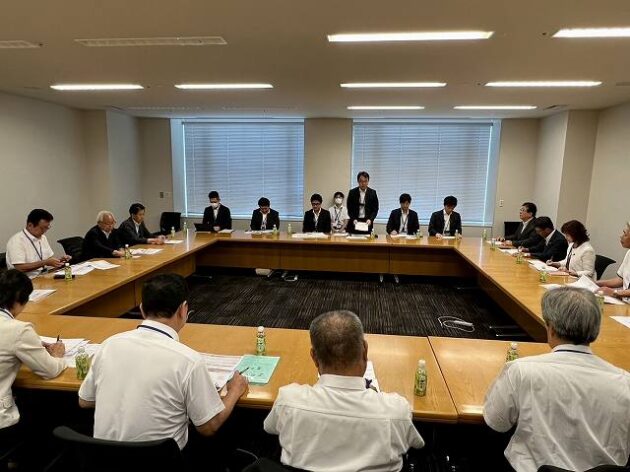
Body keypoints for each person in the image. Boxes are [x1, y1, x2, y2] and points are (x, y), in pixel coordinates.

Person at [78, 273, 248, 452]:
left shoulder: (109, 345)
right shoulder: (188, 360)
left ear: (142, 309)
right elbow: (209, 426)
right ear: (183, 309)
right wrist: (235, 390)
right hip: (161, 462)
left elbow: (85, 401)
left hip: (102, 460)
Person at [484, 287, 630, 472]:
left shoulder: (522, 371)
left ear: (551, 328)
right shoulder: (625, 382)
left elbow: (496, 423)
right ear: (596, 330)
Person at [264, 310, 423, 471]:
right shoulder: (397, 411)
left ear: (314, 357)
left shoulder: (288, 402)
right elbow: (416, 444)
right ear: (365, 350)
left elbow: (269, 428)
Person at [0, 270, 66, 438]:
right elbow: (50, 370)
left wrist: (30, 345)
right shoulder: (19, 330)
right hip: (2, 423)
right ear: (19, 300)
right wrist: (57, 356)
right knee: (46, 411)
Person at [6, 209, 71, 278]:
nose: (45, 231)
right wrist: (45, 262)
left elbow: (48, 259)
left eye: (47, 227)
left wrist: (59, 260)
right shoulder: (16, 241)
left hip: (44, 276)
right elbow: (19, 268)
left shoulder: (43, 238)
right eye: (43, 228)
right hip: (26, 281)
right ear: (30, 225)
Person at [597, 221, 630, 302]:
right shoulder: (629, 253)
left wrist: (615, 292)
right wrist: (596, 283)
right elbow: (620, 280)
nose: (621, 236)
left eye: (625, 234)